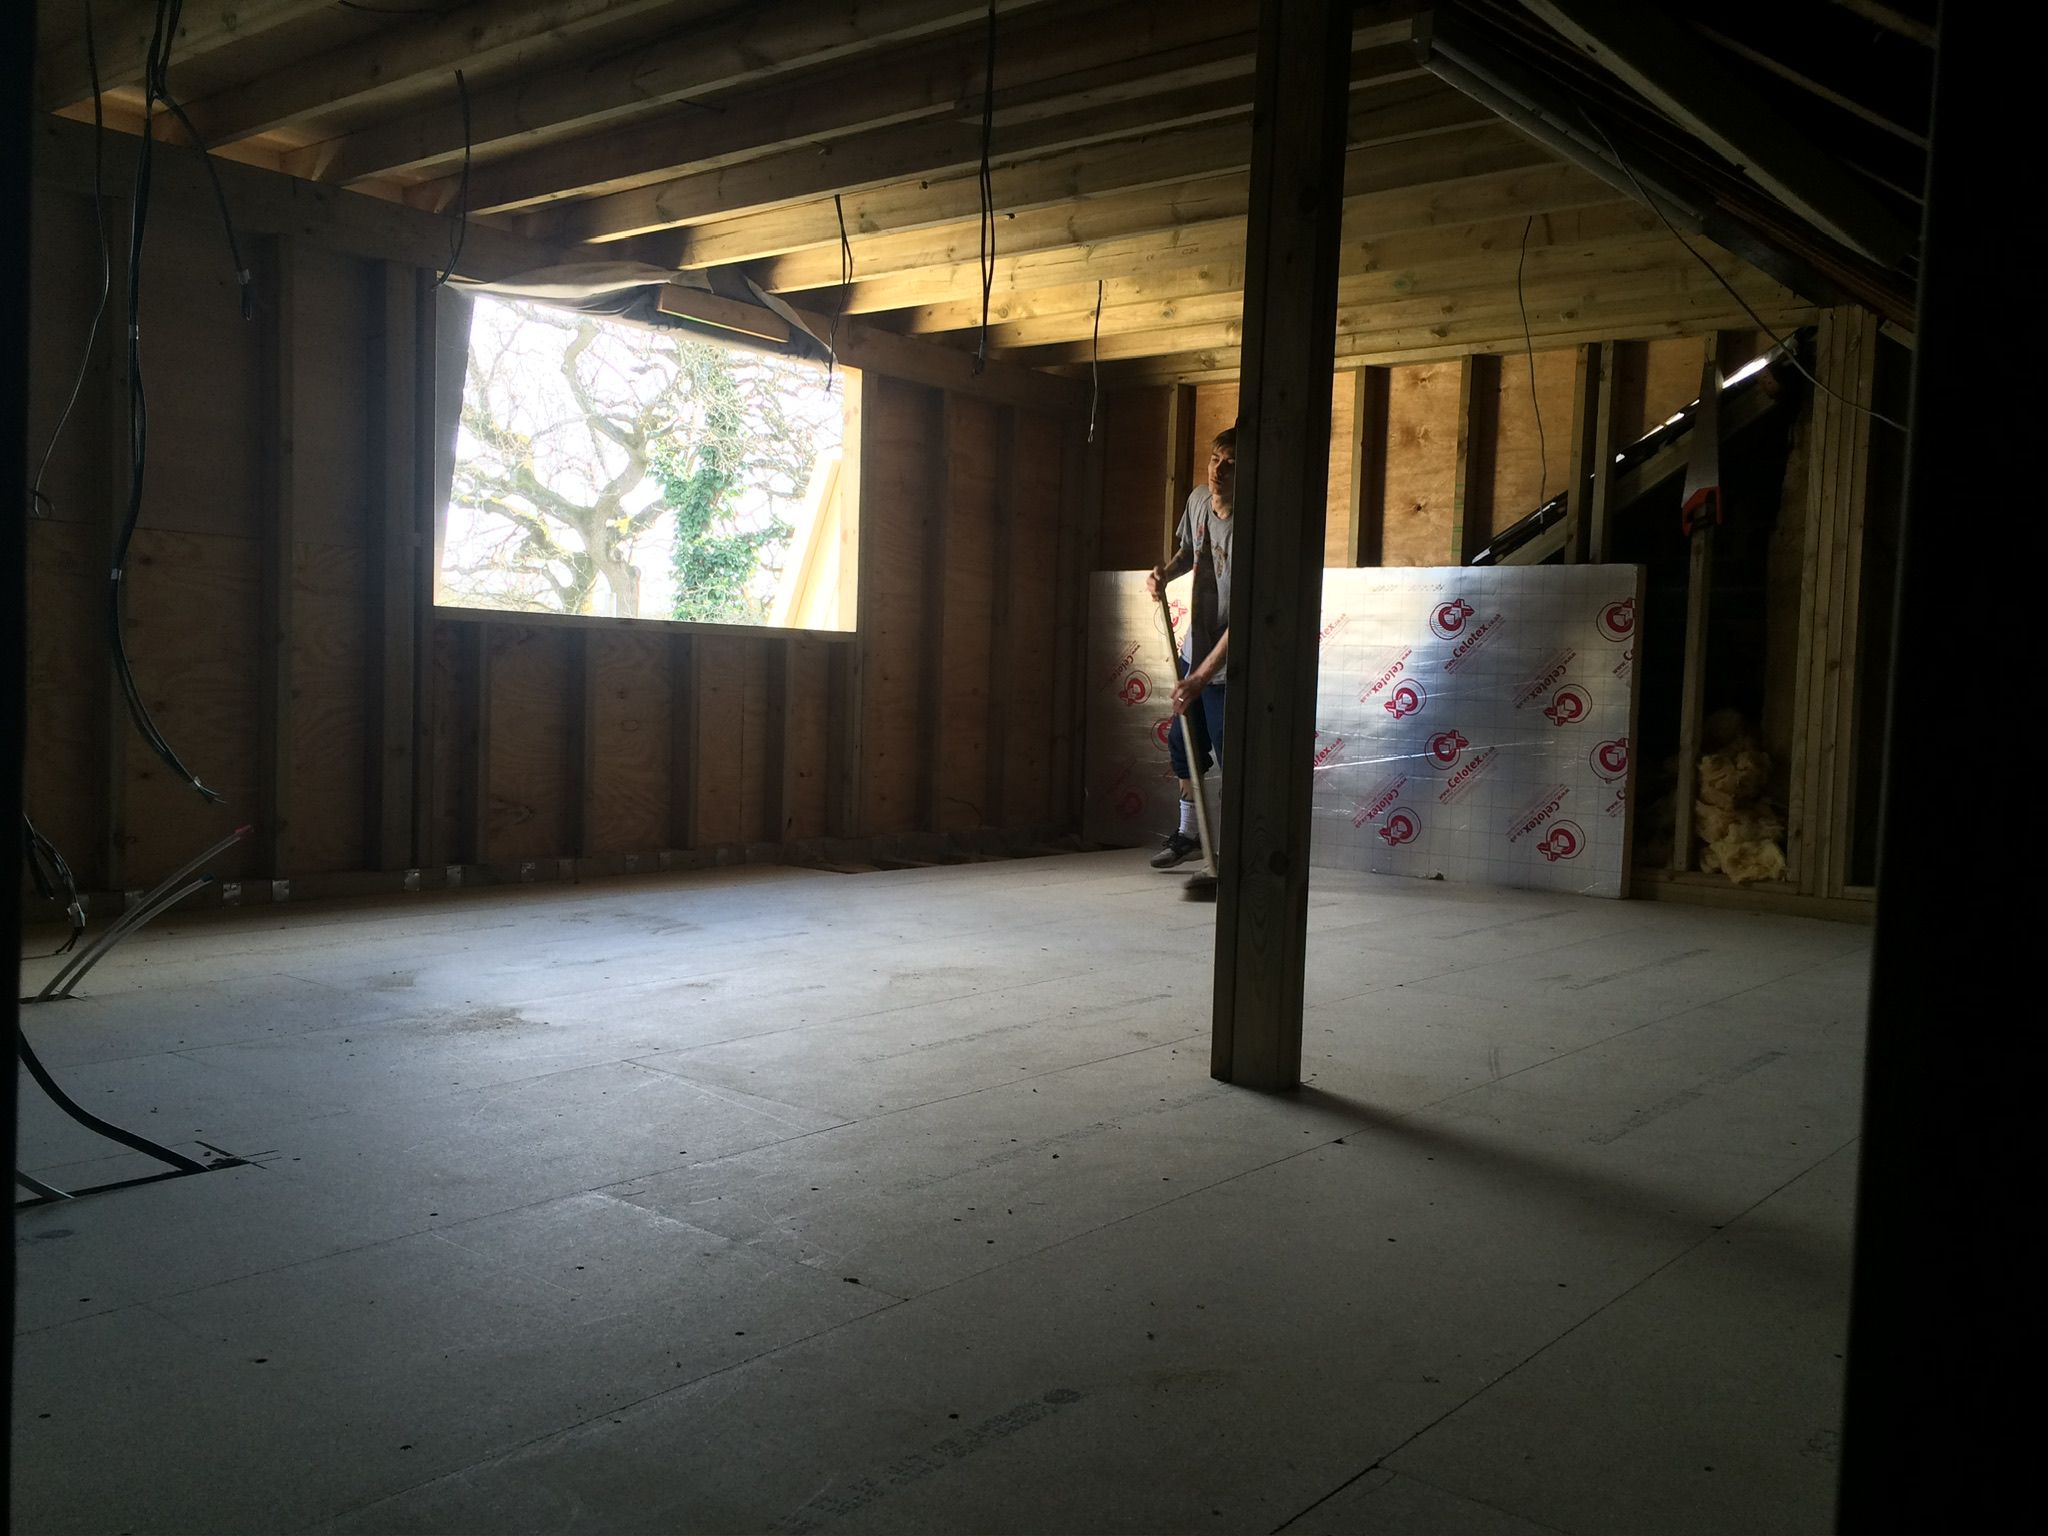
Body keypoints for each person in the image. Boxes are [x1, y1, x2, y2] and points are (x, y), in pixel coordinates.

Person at [1145, 425, 1235, 870]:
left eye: (1232, 464)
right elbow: (1187, 551)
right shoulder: (1199, 498)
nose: (1219, 471)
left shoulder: (1250, 530)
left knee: (1231, 754)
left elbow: (1245, 623)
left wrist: (1202, 677)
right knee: (1184, 746)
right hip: (1194, 651)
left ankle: (1240, 852)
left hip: (1226, 667)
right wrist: (1165, 572)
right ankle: (1190, 835)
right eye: (1216, 459)